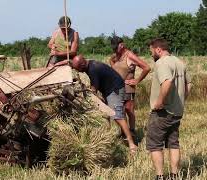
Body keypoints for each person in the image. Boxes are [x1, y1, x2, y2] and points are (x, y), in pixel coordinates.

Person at [69, 54, 138, 154]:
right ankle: (113, 136)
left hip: (115, 89)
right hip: (109, 88)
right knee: (108, 114)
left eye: (78, 69)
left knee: (117, 116)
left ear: (82, 65)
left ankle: (132, 144)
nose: (78, 71)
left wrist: (84, 91)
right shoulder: (89, 64)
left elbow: (94, 90)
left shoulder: (93, 69)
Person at [147, 38, 191, 180]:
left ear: (158, 49)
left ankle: (160, 176)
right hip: (177, 111)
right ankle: (174, 175)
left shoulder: (162, 63)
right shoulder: (179, 62)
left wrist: (159, 102)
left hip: (163, 111)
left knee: (155, 144)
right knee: (173, 143)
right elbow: (188, 85)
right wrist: (181, 100)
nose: (151, 54)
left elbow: (166, 82)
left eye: (151, 51)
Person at [109, 36, 151, 139]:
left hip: (127, 87)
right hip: (117, 88)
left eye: (116, 47)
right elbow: (111, 61)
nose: (115, 50)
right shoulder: (116, 56)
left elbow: (146, 67)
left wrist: (137, 80)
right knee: (120, 110)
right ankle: (124, 132)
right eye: (113, 48)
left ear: (122, 45)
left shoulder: (130, 55)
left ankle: (132, 132)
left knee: (129, 109)